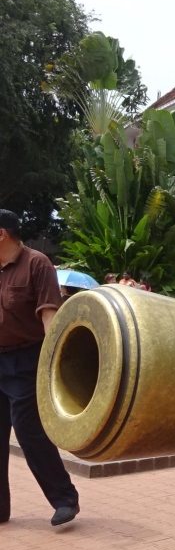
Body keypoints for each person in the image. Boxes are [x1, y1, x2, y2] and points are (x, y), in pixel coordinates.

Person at [0, 210, 80, 527]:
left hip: (26, 360)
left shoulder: (37, 264)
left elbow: (49, 316)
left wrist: (53, 365)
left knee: (28, 431)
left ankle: (65, 499)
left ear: (2, 234)